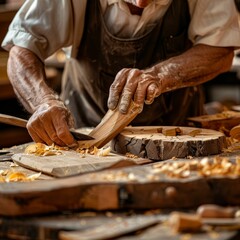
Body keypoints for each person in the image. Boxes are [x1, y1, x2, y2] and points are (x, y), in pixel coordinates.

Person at [1, 0, 240, 147]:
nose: (141, 2)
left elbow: (220, 49)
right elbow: (22, 48)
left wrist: (161, 75)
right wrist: (43, 101)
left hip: (181, 139)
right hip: (84, 139)